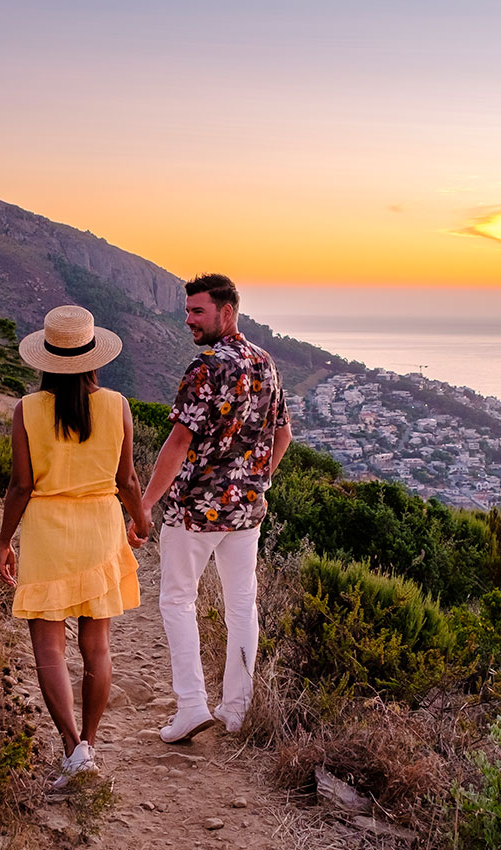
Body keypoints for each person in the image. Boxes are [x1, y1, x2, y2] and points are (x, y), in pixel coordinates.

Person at [134, 273, 292, 743]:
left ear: (226, 311)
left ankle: (191, 706)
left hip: (195, 510)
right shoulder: (266, 364)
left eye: (197, 311)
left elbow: (178, 441)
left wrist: (144, 504)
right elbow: (282, 434)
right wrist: (257, 480)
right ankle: (236, 710)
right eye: (187, 311)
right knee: (242, 606)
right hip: (245, 511)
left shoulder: (206, 368)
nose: (188, 320)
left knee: (177, 600)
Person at [0, 304, 151, 788]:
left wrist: (3, 541)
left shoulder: (28, 409)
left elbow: (20, 487)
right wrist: (141, 521)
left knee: (48, 648)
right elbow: (126, 479)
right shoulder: (117, 405)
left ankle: (72, 749)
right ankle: (91, 741)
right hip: (101, 528)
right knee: (96, 647)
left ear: (46, 359)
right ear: (94, 358)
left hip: (46, 532)